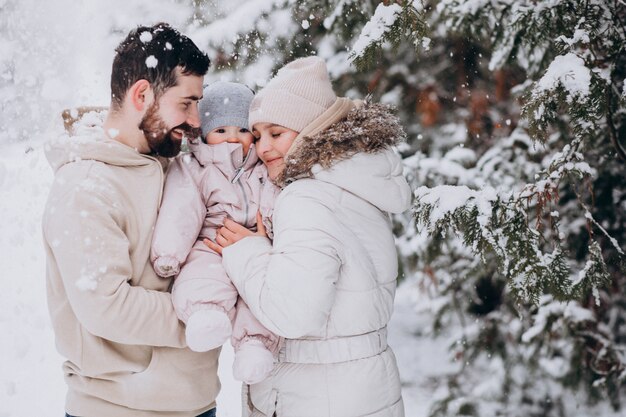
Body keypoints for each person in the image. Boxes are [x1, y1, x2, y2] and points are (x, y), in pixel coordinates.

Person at [207, 56, 412, 416]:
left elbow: (292, 315)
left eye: (277, 133)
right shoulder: (352, 184)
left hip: (317, 393)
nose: (262, 148)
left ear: (311, 130)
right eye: (256, 136)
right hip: (360, 387)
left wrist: (246, 251)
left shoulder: (306, 196)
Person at [42, 23, 219, 417]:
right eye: (186, 103)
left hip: (197, 404)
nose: (196, 121)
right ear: (142, 94)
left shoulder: (175, 166)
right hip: (119, 409)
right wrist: (210, 312)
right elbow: (107, 305)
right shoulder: (85, 186)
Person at [150, 81, 281, 385]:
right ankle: (206, 314)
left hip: (258, 246)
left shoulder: (262, 168)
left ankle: (254, 346)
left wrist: (273, 232)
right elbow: (181, 209)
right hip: (211, 243)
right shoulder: (195, 167)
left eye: (242, 130)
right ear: (205, 133)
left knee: (260, 294)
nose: (233, 139)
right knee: (203, 274)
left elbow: (277, 199)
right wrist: (169, 252)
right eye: (221, 131)